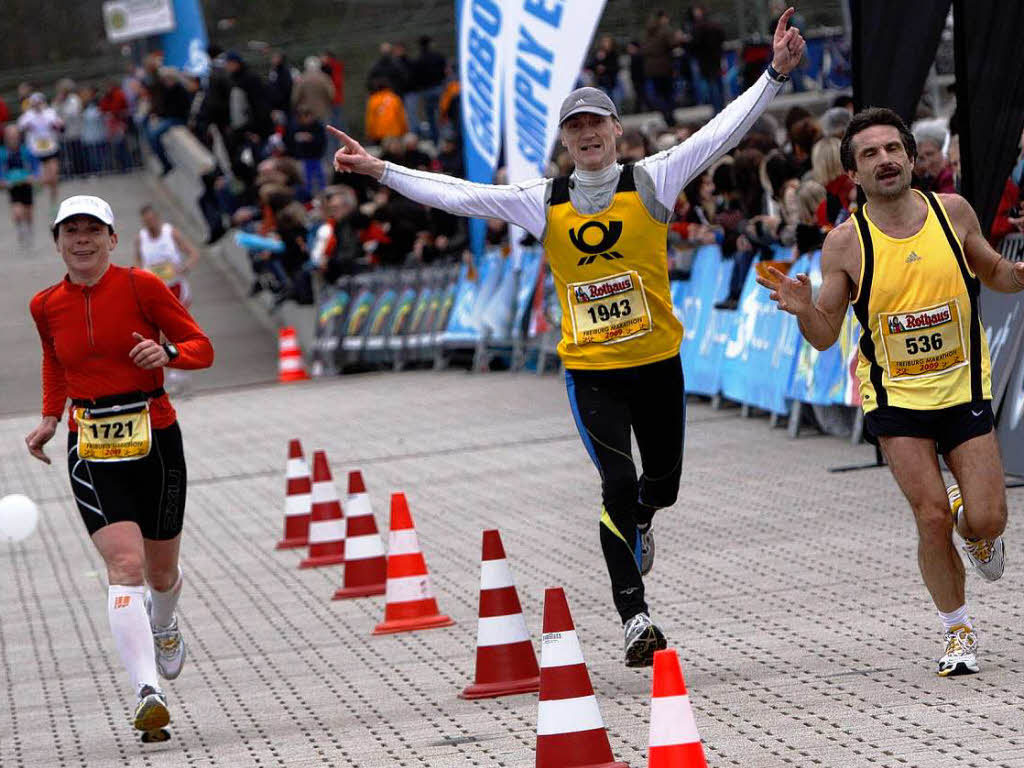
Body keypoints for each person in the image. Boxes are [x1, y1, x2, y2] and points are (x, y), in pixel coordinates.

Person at [327, 10, 805, 667]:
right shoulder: (540, 198)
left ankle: (644, 520)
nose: (586, 137)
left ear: (616, 131)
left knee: (658, 488)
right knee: (616, 482)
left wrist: (774, 75)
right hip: (592, 373)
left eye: (595, 125)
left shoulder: (655, 178)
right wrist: (382, 171)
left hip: (658, 362)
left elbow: (723, 134)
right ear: (564, 141)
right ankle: (634, 615)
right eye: (574, 129)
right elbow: (458, 197)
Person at [758, 107, 1014, 677]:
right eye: (870, 154)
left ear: (911, 156)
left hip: (963, 387)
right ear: (852, 172)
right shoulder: (845, 244)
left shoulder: (952, 213)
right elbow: (825, 335)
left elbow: (995, 271)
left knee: (988, 519)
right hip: (895, 401)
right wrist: (804, 311)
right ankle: (957, 631)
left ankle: (970, 521)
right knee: (928, 517)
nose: (885, 160)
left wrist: (1020, 275)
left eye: (892, 149)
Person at [25, 195, 214, 738]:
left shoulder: (143, 287)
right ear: (57, 241)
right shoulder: (44, 305)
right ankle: (146, 691)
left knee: (160, 572)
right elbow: (54, 362)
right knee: (125, 566)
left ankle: (165, 622)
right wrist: (48, 417)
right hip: (91, 446)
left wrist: (169, 355)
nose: (81, 240)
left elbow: (202, 347)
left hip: (155, 435)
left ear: (112, 239)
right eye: (70, 231)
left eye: (92, 230)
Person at [17, 92, 63, 213]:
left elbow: (60, 125)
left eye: (39, 103)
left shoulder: (50, 113)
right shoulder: (28, 116)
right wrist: (27, 127)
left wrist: (57, 126)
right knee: (45, 178)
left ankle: (54, 204)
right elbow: (20, 127)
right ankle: (38, 186)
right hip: (36, 151)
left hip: (51, 148)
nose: (37, 105)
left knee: (54, 177)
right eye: (35, 103)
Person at [0, 123, 38, 250]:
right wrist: (3, 180)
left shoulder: (26, 150)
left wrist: (34, 176)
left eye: (14, 136)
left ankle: (29, 228)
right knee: (17, 212)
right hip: (13, 186)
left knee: (28, 212)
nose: (12, 139)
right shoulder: (3, 153)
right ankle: (20, 229)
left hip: (26, 184)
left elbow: (34, 165)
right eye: (10, 136)